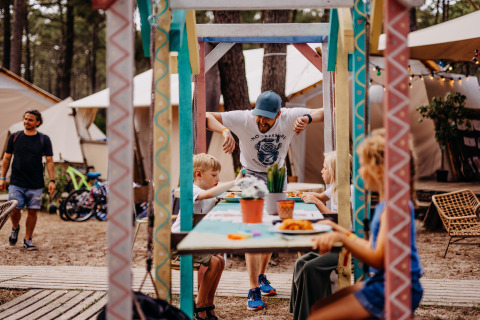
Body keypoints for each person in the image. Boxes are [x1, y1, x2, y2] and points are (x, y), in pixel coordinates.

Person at [206, 90, 324, 311]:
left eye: (266, 117)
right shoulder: (244, 118)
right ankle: (252, 289)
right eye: (258, 115)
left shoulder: (289, 116)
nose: (260, 121)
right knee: (253, 229)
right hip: (251, 176)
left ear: (278, 114)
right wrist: (224, 130)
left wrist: (306, 119)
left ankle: (261, 276)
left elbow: (327, 112)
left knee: (272, 227)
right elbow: (204, 116)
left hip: (277, 175)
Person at [307, 130, 423, 320]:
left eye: (362, 166)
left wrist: (342, 238)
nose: (359, 172)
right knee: (319, 308)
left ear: (379, 170)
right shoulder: (387, 205)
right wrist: (340, 231)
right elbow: (374, 248)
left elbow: (377, 259)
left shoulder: (395, 208)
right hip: (382, 282)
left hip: (396, 287)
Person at [171, 153, 243, 320]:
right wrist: (235, 181)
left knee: (221, 261)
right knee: (214, 261)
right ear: (198, 174)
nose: (217, 178)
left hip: (195, 242)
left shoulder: (210, 190)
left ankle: (209, 302)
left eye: (218, 174)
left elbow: (218, 194)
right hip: (179, 241)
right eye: (213, 175)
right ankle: (200, 303)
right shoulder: (192, 190)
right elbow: (209, 195)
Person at [290, 151, 353, 320]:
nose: (321, 171)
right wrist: (307, 195)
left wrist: (318, 204)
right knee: (300, 262)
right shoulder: (335, 187)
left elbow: (341, 222)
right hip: (335, 242)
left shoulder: (348, 191)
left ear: (334, 171)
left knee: (311, 267)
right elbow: (321, 196)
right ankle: (298, 312)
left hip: (348, 247)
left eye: (325, 168)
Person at [0, 110, 56, 251]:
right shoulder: (15, 137)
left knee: (32, 211)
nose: (26, 121)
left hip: (35, 183)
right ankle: (15, 228)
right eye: (25, 119)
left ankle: (28, 239)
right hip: (16, 181)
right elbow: (6, 158)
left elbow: (49, 161)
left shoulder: (44, 139)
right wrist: (2, 177)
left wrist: (52, 180)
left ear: (37, 122)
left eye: (30, 120)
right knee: (14, 209)